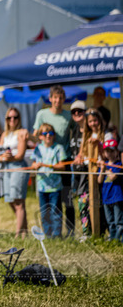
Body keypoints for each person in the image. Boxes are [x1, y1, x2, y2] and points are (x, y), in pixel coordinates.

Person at [0, 107, 30, 238]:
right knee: (10, 199)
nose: (12, 120)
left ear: (19, 119)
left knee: (18, 201)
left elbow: (20, 154)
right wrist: (2, 157)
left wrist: (10, 157)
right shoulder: (5, 134)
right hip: (6, 168)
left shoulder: (21, 132)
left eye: (15, 117)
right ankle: (24, 231)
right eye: (9, 117)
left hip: (17, 167)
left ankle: (17, 234)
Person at [31, 123, 67, 238]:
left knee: (55, 212)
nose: (48, 136)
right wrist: (35, 166)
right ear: (40, 136)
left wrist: (49, 166)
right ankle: (47, 234)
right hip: (42, 186)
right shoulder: (38, 148)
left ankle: (57, 235)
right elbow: (33, 164)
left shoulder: (58, 148)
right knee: (44, 213)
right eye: (45, 133)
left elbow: (62, 166)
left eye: (50, 133)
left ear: (54, 135)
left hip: (55, 187)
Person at [74, 108, 106, 236]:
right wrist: (78, 158)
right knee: (83, 202)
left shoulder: (105, 135)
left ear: (99, 121)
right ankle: (86, 232)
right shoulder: (86, 136)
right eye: (90, 121)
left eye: (95, 120)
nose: (93, 123)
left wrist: (98, 145)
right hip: (86, 174)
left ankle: (100, 232)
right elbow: (81, 154)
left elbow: (106, 156)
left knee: (99, 204)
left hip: (100, 174)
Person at [66, 100, 87, 237]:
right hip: (76, 172)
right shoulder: (74, 130)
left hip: (87, 172)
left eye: (80, 111)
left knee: (86, 202)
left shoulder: (88, 130)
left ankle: (89, 232)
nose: (77, 113)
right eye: (74, 112)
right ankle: (86, 231)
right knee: (80, 202)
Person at [97, 135, 123, 242]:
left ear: (116, 152)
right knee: (110, 221)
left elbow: (112, 177)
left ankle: (119, 240)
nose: (109, 153)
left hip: (117, 197)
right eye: (107, 151)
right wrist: (102, 169)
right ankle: (112, 239)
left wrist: (105, 168)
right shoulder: (104, 165)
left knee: (119, 221)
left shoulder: (119, 165)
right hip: (106, 197)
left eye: (112, 151)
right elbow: (99, 180)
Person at [33, 85, 72, 150]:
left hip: (64, 154)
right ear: (50, 98)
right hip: (46, 154)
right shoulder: (41, 114)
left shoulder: (69, 115)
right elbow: (35, 135)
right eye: (55, 97)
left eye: (60, 98)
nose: (58, 100)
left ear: (64, 99)